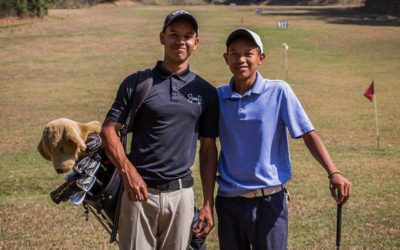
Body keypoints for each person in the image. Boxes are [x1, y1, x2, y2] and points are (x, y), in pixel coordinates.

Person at [214, 28, 352, 250]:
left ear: (261, 58)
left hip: (269, 202)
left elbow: (308, 134)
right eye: (234, 53)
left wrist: (333, 171)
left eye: (249, 53)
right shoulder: (218, 97)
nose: (241, 59)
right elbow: (207, 147)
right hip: (229, 202)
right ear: (226, 58)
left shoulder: (278, 91)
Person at [101, 10, 218, 250]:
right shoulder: (138, 82)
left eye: (187, 36)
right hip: (138, 193)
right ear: (162, 37)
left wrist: (208, 203)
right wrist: (128, 172)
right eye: (174, 34)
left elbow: (207, 150)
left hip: (181, 194)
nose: (180, 41)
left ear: (196, 42)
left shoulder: (206, 91)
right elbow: (108, 131)